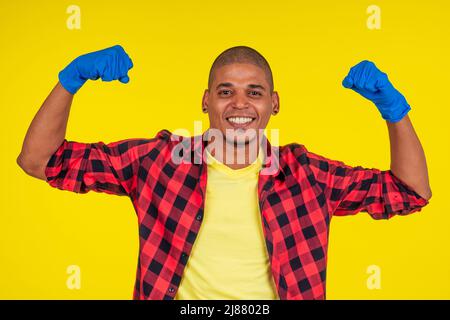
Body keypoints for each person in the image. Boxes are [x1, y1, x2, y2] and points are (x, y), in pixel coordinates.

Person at [17, 44, 432, 300]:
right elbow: (38, 161)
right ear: (205, 101)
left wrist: (393, 111)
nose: (239, 104)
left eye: (254, 92)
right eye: (225, 91)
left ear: (274, 104)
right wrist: (70, 81)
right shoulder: (161, 161)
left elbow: (411, 192)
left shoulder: (307, 174)